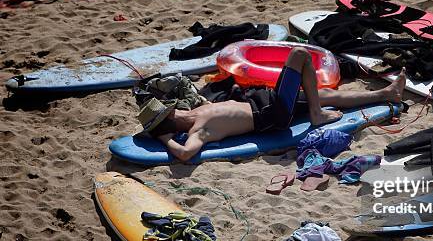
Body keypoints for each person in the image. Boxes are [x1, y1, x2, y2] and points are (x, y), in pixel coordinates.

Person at [137, 47, 406, 162]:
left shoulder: (196, 111)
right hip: (272, 114)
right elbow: (185, 154)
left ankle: (387, 94)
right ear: (171, 119)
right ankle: (316, 114)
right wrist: (165, 139)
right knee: (299, 55)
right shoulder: (198, 131)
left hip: (264, 102)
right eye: (171, 109)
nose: (176, 106)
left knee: (324, 93)